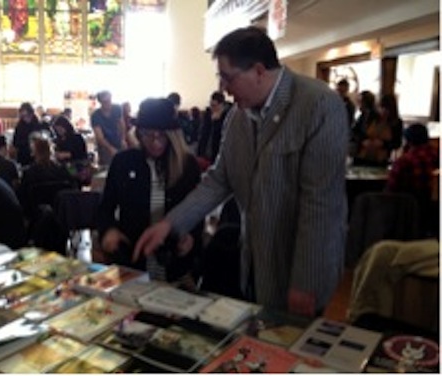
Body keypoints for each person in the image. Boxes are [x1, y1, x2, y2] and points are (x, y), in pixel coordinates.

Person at [134, 26, 348, 317]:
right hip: (255, 260)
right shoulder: (238, 117)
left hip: (300, 266)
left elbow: (321, 206)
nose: (223, 88)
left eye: (227, 77)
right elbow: (218, 180)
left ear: (258, 71)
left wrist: (305, 283)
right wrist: (170, 225)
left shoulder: (319, 106)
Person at [97, 97, 203, 284]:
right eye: (148, 135)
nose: (155, 142)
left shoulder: (188, 166)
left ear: (173, 135)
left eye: (162, 136)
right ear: (139, 133)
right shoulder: (123, 162)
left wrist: (191, 238)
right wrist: (108, 230)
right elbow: (105, 208)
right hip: (132, 263)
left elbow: (197, 211)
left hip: (175, 266)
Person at [386, 123, 439, 236]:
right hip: (432, 209)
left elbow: (391, 188)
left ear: (408, 141)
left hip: (406, 210)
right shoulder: (436, 156)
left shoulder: (405, 161)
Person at [90, 90, 127, 167]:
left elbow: (122, 125)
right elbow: (100, 137)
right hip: (105, 144)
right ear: (100, 102)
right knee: (108, 166)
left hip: (117, 140)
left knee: (125, 162)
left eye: (109, 100)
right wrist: (110, 148)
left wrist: (123, 139)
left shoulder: (117, 108)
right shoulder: (95, 116)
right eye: (105, 101)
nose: (108, 103)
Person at [12, 102, 51, 167]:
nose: (25, 118)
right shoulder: (20, 126)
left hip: (39, 157)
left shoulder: (41, 124)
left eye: (27, 115)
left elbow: (48, 139)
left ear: (32, 113)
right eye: (23, 116)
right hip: (24, 156)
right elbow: (15, 142)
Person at [197, 91, 231, 164]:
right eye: (211, 105)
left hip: (218, 156)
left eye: (214, 105)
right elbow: (202, 134)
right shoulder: (208, 115)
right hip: (205, 154)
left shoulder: (228, 117)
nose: (212, 108)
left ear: (221, 105)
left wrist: (217, 122)